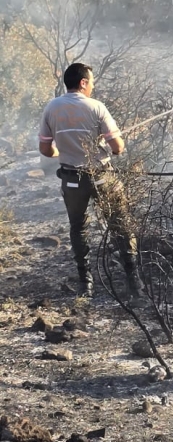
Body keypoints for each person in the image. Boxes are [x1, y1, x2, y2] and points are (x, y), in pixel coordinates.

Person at [38, 63, 139, 299]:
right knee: (120, 222)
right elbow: (118, 147)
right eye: (91, 82)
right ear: (83, 82)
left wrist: (62, 153)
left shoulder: (51, 108)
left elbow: (45, 149)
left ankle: (86, 283)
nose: (93, 86)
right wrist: (111, 146)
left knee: (78, 227)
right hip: (102, 176)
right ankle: (134, 282)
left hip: (72, 180)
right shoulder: (96, 107)